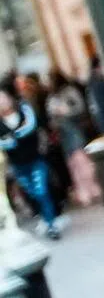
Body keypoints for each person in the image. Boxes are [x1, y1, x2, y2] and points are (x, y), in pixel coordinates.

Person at [0, 84, 61, 239]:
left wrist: (14, 136)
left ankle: (51, 225)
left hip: (35, 159)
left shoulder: (24, 109)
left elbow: (32, 125)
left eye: (3, 98)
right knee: (33, 194)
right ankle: (46, 218)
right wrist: (8, 142)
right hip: (18, 165)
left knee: (41, 191)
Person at [46, 70, 100, 206]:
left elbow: (80, 108)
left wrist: (67, 111)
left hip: (74, 131)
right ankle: (85, 192)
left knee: (81, 161)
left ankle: (92, 190)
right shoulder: (53, 97)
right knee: (74, 164)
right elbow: (51, 117)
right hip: (64, 134)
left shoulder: (68, 92)